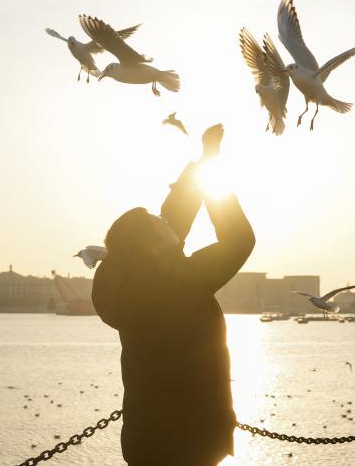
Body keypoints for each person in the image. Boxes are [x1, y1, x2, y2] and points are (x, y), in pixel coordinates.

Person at [92, 123, 256, 465]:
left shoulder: (123, 277)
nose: (169, 226)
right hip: (193, 435)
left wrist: (203, 164)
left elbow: (171, 219)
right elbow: (240, 240)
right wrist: (212, 180)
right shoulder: (182, 281)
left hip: (144, 434)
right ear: (152, 245)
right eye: (160, 227)